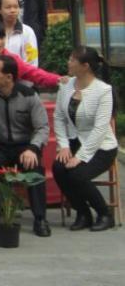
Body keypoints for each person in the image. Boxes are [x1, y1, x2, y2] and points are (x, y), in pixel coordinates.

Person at [0, 55, 51, 237]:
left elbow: (42, 128)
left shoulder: (29, 95)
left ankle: (40, 219)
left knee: (35, 168)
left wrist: (33, 148)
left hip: (24, 146)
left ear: (9, 77)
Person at [53, 47, 118, 232]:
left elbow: (100, 128)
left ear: (85, 66)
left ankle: (105, 214)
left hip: (101, 147)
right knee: (59, 168)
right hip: (75, 141)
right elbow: (59, 117)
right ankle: (83, 213)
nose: (68, 63)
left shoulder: (103, 91)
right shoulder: (66, 86)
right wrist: (63, 145)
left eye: (72, 60)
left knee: (77, 174)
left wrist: (80, 156)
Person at [0, 0, 40, 66]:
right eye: (8, 7)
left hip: (22, 72)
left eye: (16, 7)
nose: (12, 10)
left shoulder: (27, 32)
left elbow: (32, 61)